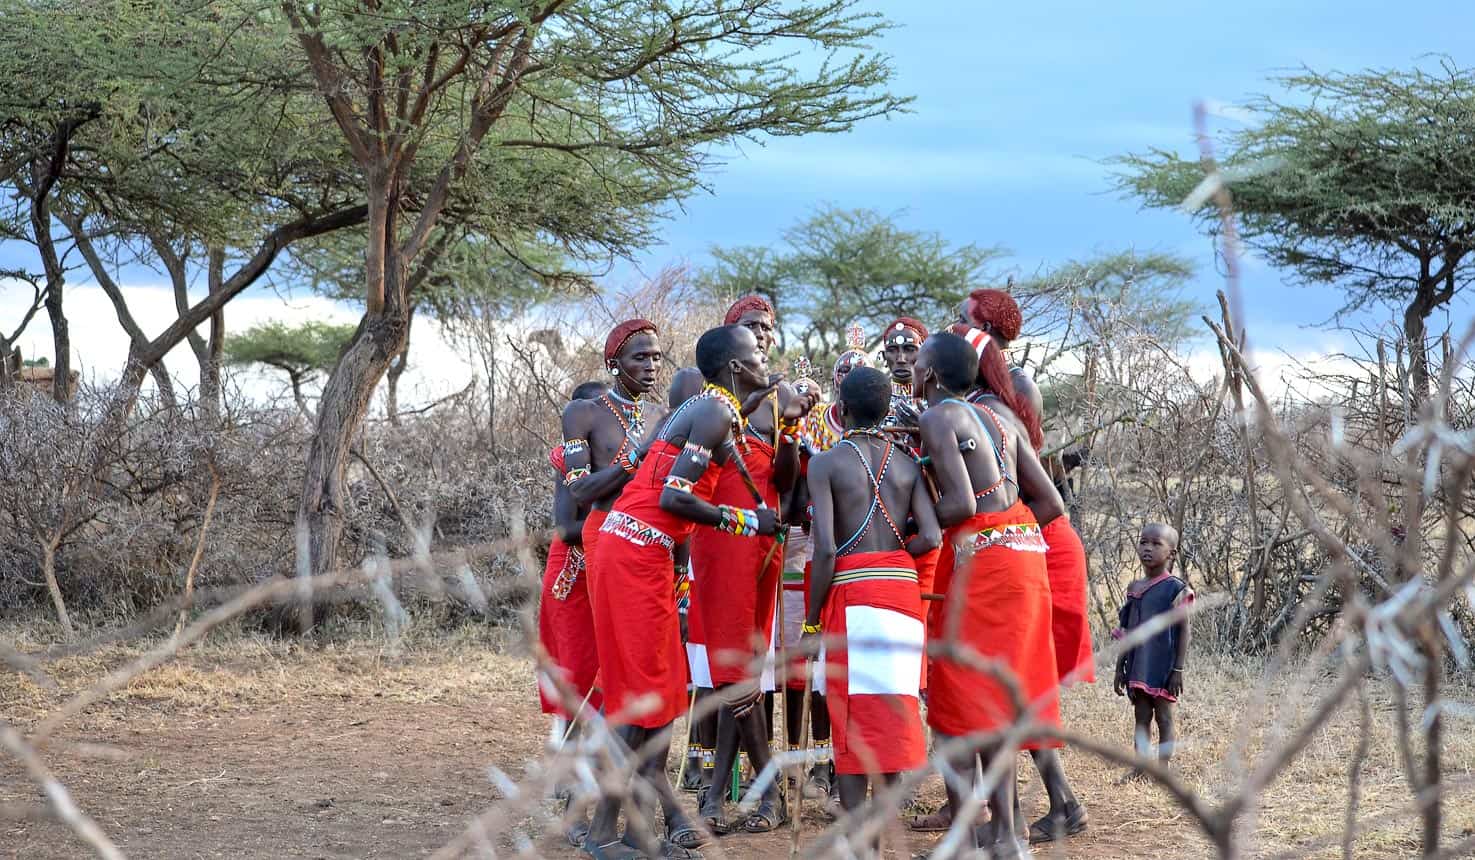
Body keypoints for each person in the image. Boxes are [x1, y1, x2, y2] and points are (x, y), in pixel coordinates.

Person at [585, 325, 781, 860]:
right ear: (735, 367)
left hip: (638, 551)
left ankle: (633, 833)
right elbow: (674, 497)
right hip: (635, 554)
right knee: (647, 695)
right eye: (757, 353)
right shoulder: (714, 412)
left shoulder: (711, 408)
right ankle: (608, 834)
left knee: (658, 695)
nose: (766, 359)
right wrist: (748, 521)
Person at [913, 332, 1066, 860]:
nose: (913, 370)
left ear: (931, 374)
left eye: (918, 362)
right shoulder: (1002, 418)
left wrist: (909, 525)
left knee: (959, 696)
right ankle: (1007, 834)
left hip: (983, 566)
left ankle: (975, 839)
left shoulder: (939, 417)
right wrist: (1005, 535)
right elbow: (1051, 503)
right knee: (996, 698)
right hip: (1025, 559)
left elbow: (958, 505)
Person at [954, 290, 1094, 844]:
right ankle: (1048, 806)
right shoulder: (976, 395)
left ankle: (1038, 811)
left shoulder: (1010, 390)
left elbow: (1020, 483)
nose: (953, 326)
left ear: (983, 332)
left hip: (1036, 540)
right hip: (1019, 539)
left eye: (962, 319)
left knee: (1019, 686)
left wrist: (1002, 534)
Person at [690, 296, 814, 835]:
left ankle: (721, 794)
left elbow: (785, 481)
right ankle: (763, 791)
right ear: (731, 348)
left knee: (743, 667)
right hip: (720, 535)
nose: (762, 335)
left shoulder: (778, 397)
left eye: (766, 327)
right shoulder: (704, 399)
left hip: (765, 539)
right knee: (731, 667)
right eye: (750, 328)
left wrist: (789, 429)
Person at [802, 367, 940, 842]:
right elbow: (932, 536)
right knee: (892, 715)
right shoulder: (907, 463)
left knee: (853, 718)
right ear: (886, 411)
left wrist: (812, 621)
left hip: (854, 592)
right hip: (901, 592)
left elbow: (824, 550)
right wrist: (893, 558)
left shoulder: (825, 464)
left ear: (840, 409)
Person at [538, 380, 611, 846]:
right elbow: (567, 528)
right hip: (573, 575)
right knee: (579, 677)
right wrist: (619, 523)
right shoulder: (573, 461)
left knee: (600, 678)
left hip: (607, 569)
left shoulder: (618, 458)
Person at [562, 319, 666, 595]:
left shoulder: (663, 416)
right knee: (617, 621)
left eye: (656, 357)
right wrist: (635, 458)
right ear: (613, 365)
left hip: (656, 537)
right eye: (640, 357)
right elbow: (580, 490)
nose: (651, 365)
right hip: (606, 535)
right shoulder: (583, 412)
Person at [1114, 522, 1192, 782]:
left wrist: (1177, 669)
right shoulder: (1134, 587)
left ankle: (1162, 770)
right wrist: (1119, 667)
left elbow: (1184, 631)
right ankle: (1140, 768)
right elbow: (1126, 630)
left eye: (1156, 544)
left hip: (1163, 665)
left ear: (1172, 553)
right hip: (1138, 664)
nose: (1147, 548)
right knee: (1141, 717)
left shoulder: (1176, 589)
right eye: (1143, 542)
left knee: (1164, 718)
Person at [879, 317, 927, 431]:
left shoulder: (938, 397)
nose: (901, 359)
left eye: (910, 349)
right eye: (892, 350)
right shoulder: (874, 396)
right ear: (884, 356)